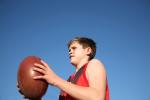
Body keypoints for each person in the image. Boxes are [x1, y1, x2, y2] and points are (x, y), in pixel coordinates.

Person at [19, 37, 110, 100]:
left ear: (88, 51)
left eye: (74, 48)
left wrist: (56, 80)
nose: (70, 51)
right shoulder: (68, 82)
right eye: (69, 50)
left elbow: (97, 97)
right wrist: (35, 97)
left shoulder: (94, 64)